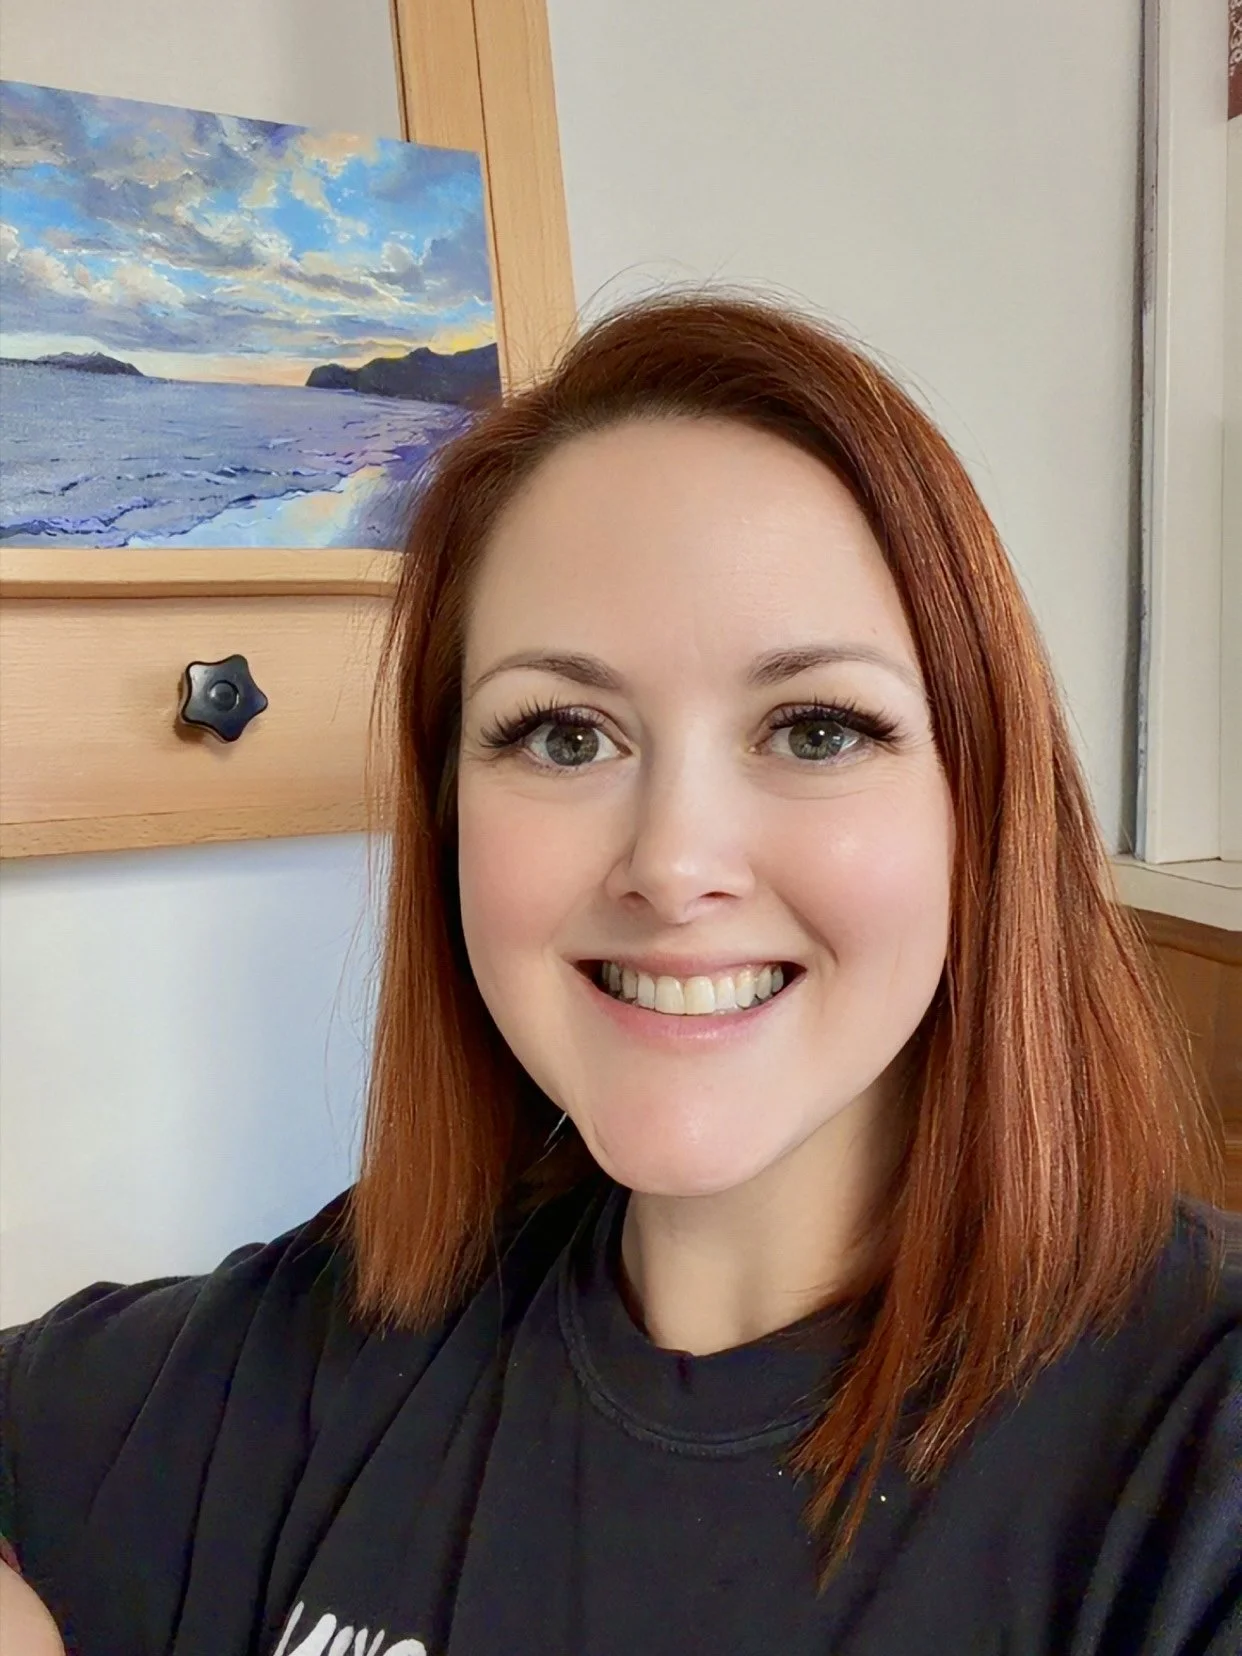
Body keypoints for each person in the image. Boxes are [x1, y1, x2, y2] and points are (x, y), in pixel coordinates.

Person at [1, 293, 1238, 1656]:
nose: (672, 861)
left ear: (982, 806)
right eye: (562, 735)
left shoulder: (1195, 1458)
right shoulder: (308, 1351)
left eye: (815, 728)